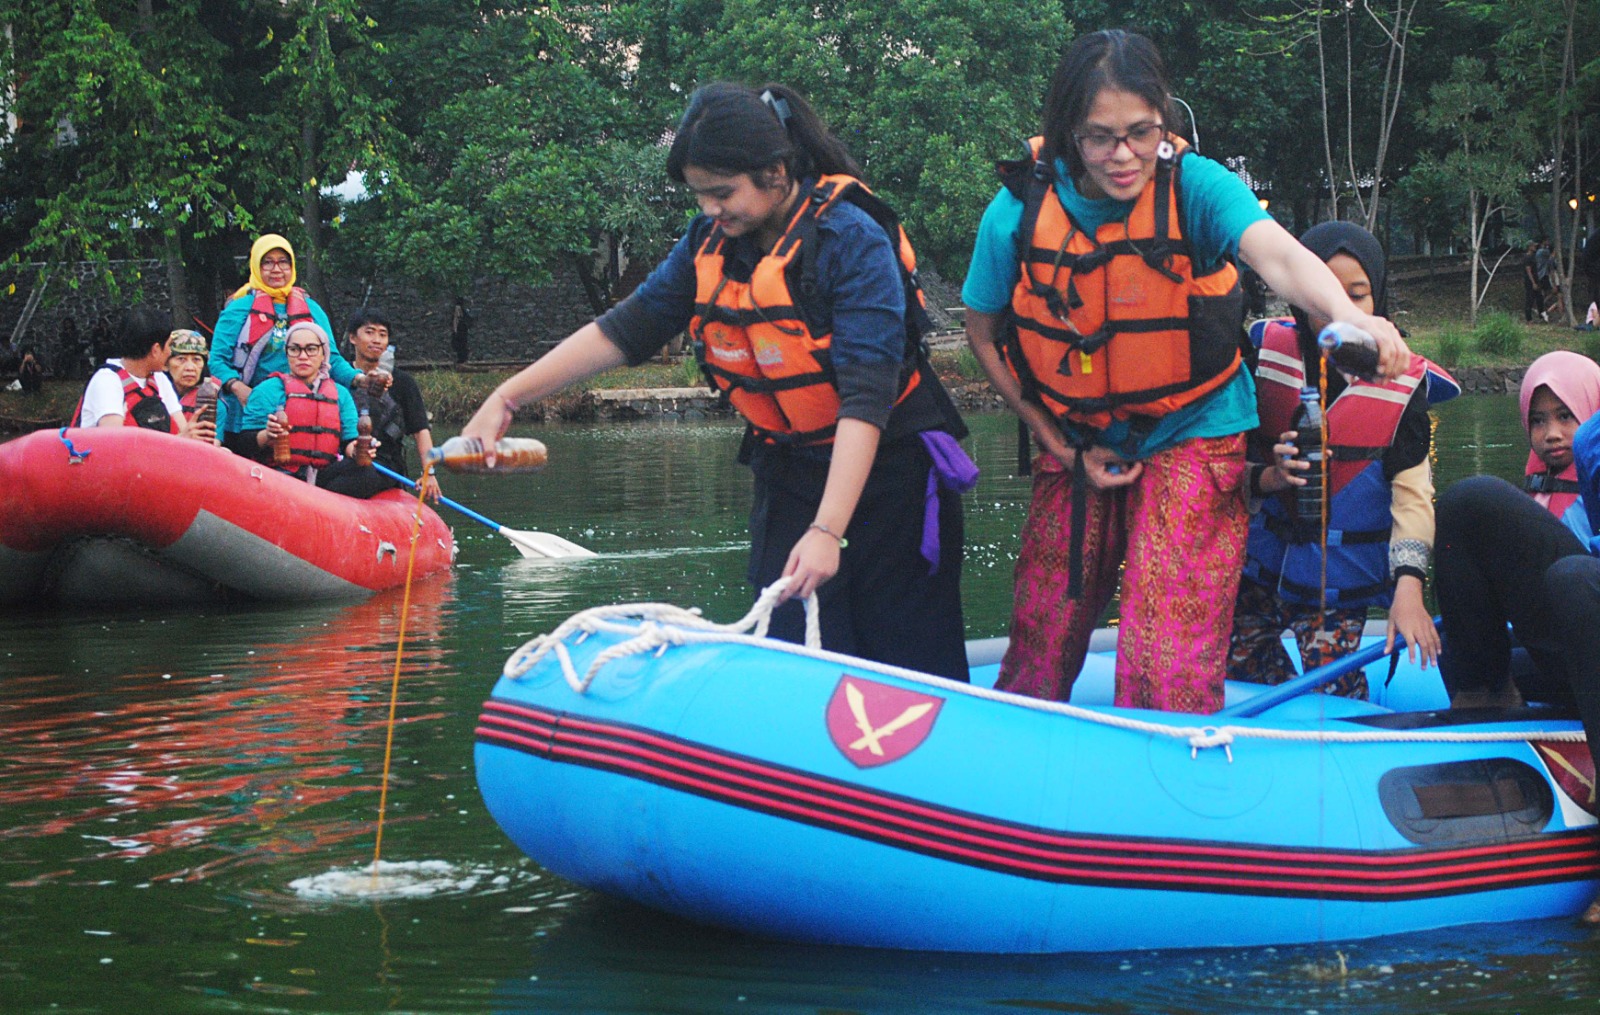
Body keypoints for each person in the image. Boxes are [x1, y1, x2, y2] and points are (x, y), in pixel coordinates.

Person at [461, 81, 974, 681]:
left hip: (891, 474)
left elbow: (867, 398)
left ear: (777, 173)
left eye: (722, 193)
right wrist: (508, 395)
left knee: (905, 656)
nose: (710, 209)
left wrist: (827, 531)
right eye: (700, 195)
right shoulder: (709, 242)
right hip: (791, 471)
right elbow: (626, 329)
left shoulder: (850, 238)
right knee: (789, 650)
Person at [961, 30, 1411, 712]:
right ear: (1067, 132)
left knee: (1164, 658)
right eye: (1100, 136)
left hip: (1194, 427)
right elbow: (984, 332)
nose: (1123, 156)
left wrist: (1355, 320)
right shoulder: (1018, 210)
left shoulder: (1196, 187)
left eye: (1141, 132)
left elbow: (1281, 257)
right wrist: (1049, 435)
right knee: (1044, 628)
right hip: (1076, 431)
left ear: (1164, 124)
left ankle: (1167, 757)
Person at [1228, 222, 1454, 698]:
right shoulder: (1261, 357)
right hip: (1258, 569)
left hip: (1335, 584)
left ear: (1379, 299)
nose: (1344, 311)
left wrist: (1410, 588)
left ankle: (1341, 706)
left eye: (1359, 296)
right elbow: (1219, 466)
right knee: (1239, 664)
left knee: (1333, 687)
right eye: (1326, 293)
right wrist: (1268, 476)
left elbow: (1412, 498)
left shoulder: (1403, 387)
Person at [1433, 352, 1600, 923]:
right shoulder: (1579, 459)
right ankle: (1483, 705)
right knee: (1466, 502)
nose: (1551, 434)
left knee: (1575, 578)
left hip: (1586, 603)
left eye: (1565, 417)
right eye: (1538, 419)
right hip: (1579, 648)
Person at [209, 234, 366, 456]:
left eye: (283, 262)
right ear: (256, 266)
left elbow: (332, 359)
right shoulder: (238, 309)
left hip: (300, 411)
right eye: (267, 262)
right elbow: (217, 360)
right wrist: (238, 387)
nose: (276, 269)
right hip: (247, 414)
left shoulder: (312, 310)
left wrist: (359, 379)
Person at [238, 321, 389, 499]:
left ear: (322, 353)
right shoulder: (267, 390)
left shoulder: (341, 394)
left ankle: (322, 511)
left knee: (367, 473)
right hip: (278, 475)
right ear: (287, 353)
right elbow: (243, 444)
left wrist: (358, 449)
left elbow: (348, 441)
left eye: (311, 349)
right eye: (295, 349)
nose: (303, 356)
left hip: (323, 476)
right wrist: (267, 435)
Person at [70, 306, 212, 443]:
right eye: (169, 345)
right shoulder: (107, 381)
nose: (169, 352)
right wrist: (179, 441)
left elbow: (182, 430)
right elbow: (113, 443)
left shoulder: (158, 379)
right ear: (156, 350)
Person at [345, 307, 442, 502]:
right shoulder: (341, 376)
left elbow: (421, 430)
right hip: (346, 459)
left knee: (365, 477)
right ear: (353, 338)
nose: (376, 340)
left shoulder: (403, 383)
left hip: (384, 464)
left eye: (383, 335)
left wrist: (429, 473)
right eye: (369, 332)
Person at [1524, 241, 1543, 324]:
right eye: (1533, 246)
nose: (1535, 247)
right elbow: (1528, 271)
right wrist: (1533, 283)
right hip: (1530, 281)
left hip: (1536, 279)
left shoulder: (1533, 256)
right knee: (1530, 299)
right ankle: (1529, 319)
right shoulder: (1527, 257)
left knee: (1540, 298)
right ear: (1529, 247)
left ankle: (1541, 316)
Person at [451, 296, 472, 365]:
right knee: (462, 344)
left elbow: (456, 320)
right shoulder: (461, 309)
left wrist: (455, 330)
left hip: (460, 329)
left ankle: (462, 358)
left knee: (461, 344)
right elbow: (457, 319)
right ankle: (462, 358)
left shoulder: (458, 309)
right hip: (462, 329)